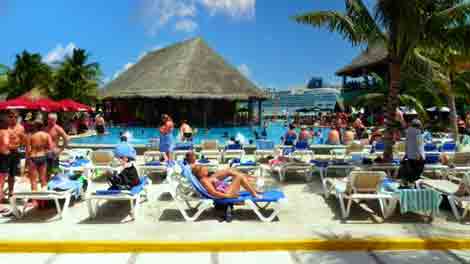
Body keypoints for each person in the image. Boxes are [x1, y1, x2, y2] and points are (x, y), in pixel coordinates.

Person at [185, 152, 261, 199]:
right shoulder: (204, 181)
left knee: (232, 173)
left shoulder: (205, 178)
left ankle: (253, 191)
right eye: (204, 169)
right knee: (239, 177)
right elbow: (213, 193)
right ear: (200, 173)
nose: (206, 169)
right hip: (227, 193)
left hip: (226, 190)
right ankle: (254, 192)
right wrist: (228, 196)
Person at [26, 118, 53, 200]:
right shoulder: (46, 135)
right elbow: (50, 148)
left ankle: (34, 201)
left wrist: (27, 163)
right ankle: (43, 201)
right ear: (42, 126)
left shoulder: (31, 136)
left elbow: (28, 151)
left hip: (33, 157)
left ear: (35, 127)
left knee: (33, 180)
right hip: (42, 157)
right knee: (43, 179)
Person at [6, 110, 25, 197]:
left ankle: (10, 191)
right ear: (8, 117)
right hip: (4, 152)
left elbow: (23, 141)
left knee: (12, 174)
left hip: (15, 153)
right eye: (11, 117)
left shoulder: (21, 128)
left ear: (18, 118)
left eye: (15, 117)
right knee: (1, 174)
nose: (13, 118)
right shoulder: (5, 127)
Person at [401, 119, 425, 185]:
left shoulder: (408, 132)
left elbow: (406, 145)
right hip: (418, 157)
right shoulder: (418, 132)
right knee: (416, 175)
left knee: (411, 174)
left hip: (410, 156)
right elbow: (419, 145)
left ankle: (410, 185)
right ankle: (415, 186)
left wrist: (406, 154)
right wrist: (420, 156)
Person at [0, 113, 11, 211]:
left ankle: (2, 197)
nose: (9, 122)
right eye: (7, 121)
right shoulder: (4, 132)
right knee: (1, 181)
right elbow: (6, 143)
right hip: (3, 156)